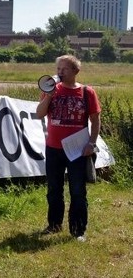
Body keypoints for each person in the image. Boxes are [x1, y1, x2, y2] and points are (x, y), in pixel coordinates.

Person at [35, 54, 101, 242]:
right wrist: (48, 96)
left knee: (78, 190)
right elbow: (39, 114)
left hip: (78, 151)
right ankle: (54, 225)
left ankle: (78, 230)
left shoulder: (87, 92)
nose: (59, 73)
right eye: (58, 69)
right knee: (54, 189)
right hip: (54, 149)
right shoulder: (51, 89)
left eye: (64, 69)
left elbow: (95, 119)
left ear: (75, 71)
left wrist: (92, 143)